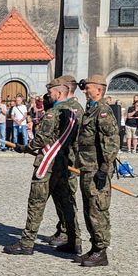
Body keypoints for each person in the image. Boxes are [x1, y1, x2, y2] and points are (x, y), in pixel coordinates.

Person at [3, 80, 81, 257]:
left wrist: (24, 148)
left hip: (49, 162)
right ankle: (74, 241)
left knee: (36, 202)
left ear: (59, 94)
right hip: (64, 163)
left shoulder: (53, 113)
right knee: (66, 202)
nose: (49, 96)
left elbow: (41, 140)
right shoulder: (74, 111)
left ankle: (27, 242)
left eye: (51, 92)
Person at [74, 75, 119, 267]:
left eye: (89, 88)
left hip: (97, 170)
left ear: (99, 90)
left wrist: (104, 169)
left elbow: (111, 143)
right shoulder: (91, 110)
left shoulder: (103, 111)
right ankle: (94, 247)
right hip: (87, 167)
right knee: (89, 209)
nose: (85, 91)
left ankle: (101, 251)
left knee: (98, 209)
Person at [48, 76, 84, 248]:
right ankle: (62, 228)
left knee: (67, 197)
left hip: (68, 159)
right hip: (59, 159)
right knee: (58, 196)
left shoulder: (74, 108)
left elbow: (76, 138)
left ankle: (69, 233)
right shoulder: (60, 106)